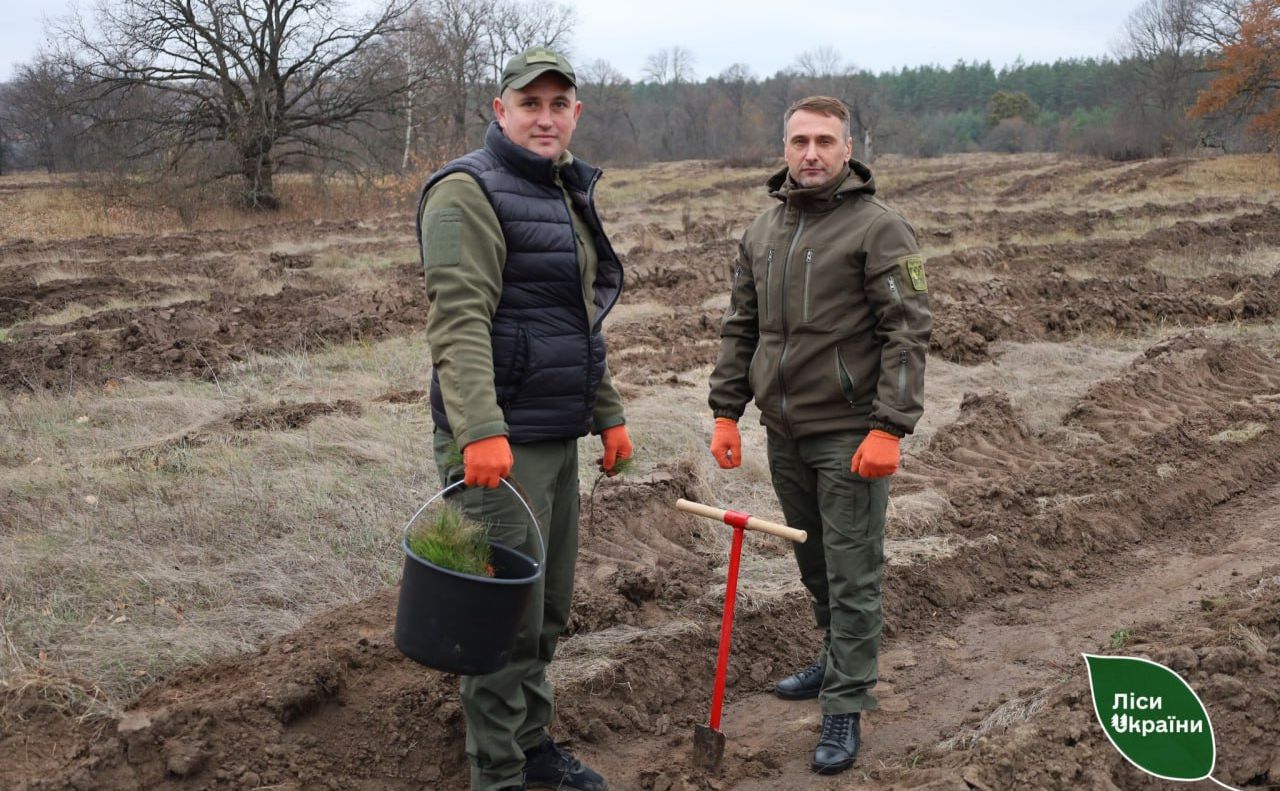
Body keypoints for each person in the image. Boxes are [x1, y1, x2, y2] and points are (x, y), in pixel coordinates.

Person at [416, 46, 631, 791]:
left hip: (550, 434)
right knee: (499, 624)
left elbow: (573, 318)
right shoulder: (468, 191)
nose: (545, 117)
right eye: (529, 103)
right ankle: (499, 775)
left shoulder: (559, 189)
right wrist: (479, 428)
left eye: (557, 104)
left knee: (545, 612)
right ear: (499, 110)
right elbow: (459, 320)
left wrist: (607, 412)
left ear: (576, 113)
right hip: (498, 447)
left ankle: (534, 750)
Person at [706, 95, 932, 775]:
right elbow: (742, 326)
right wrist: (726, 408)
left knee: (852, 568)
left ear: (848, 147)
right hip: (785, 431)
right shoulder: (762, 231)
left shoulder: (879, 229)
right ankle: (835, 659)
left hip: (850, 434)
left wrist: (890, 426)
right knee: (814, 564)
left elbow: (907, 331)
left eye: (825, 141)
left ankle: (846, 700)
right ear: (784, 148)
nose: (811, 153)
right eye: (800, 140)